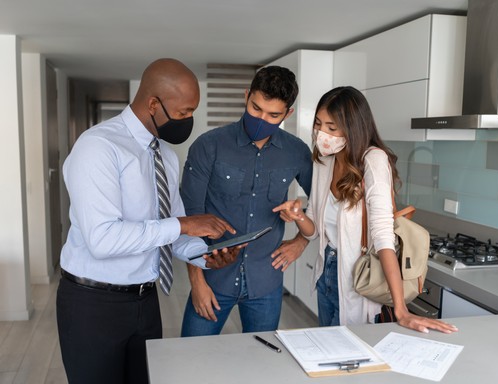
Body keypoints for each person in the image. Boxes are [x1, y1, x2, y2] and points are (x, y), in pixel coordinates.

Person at [56, 58, 242, 384]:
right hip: (93, 304)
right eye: (183, 112)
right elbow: (103, 240)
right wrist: (184, 225)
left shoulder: (166, 156)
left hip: (145, 300)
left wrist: (207, 255)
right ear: (153, 103)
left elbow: (173, 228)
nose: (189, 120)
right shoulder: (98, 147)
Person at [273, 86, 458, 334]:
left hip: (359, 277)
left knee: (350, 355)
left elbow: (383, 237)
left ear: (352, 128)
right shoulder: (324, 161)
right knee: (328, 352)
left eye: (331, 127)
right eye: (318, 124)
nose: (321, 134)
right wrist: (298, 217)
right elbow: (314, 230)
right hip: (326, 273)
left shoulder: (373, 160)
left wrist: (401, 310)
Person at [180, 65, 313, 336]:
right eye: (256, 108)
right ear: (246, 96)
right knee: (191, 362)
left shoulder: (297, 152)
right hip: (212, 280)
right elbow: (188, 217)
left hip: (266, 282)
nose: (262, 118)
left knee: (261, 366)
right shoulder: (208, 146)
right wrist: (197, 282)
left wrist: (301, 241)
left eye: (273, 114)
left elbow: (325, 206)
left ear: (288, 113)